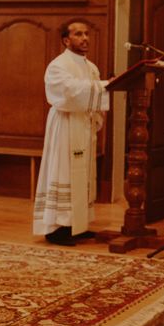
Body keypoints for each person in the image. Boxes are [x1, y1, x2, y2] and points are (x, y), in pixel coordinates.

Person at [33, 21, 110, 246]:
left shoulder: (92, 67)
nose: (85, 38)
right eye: (78, 34)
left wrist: (99, 93)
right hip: (65, 125)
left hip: (83, 125)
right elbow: (67, 92)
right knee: (63, 171)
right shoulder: (58, 65)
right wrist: (105, 86)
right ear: (66, 40)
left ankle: (78, 224)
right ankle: (57, 227)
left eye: (87, 33)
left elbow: (90, 93)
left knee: (83, 173)